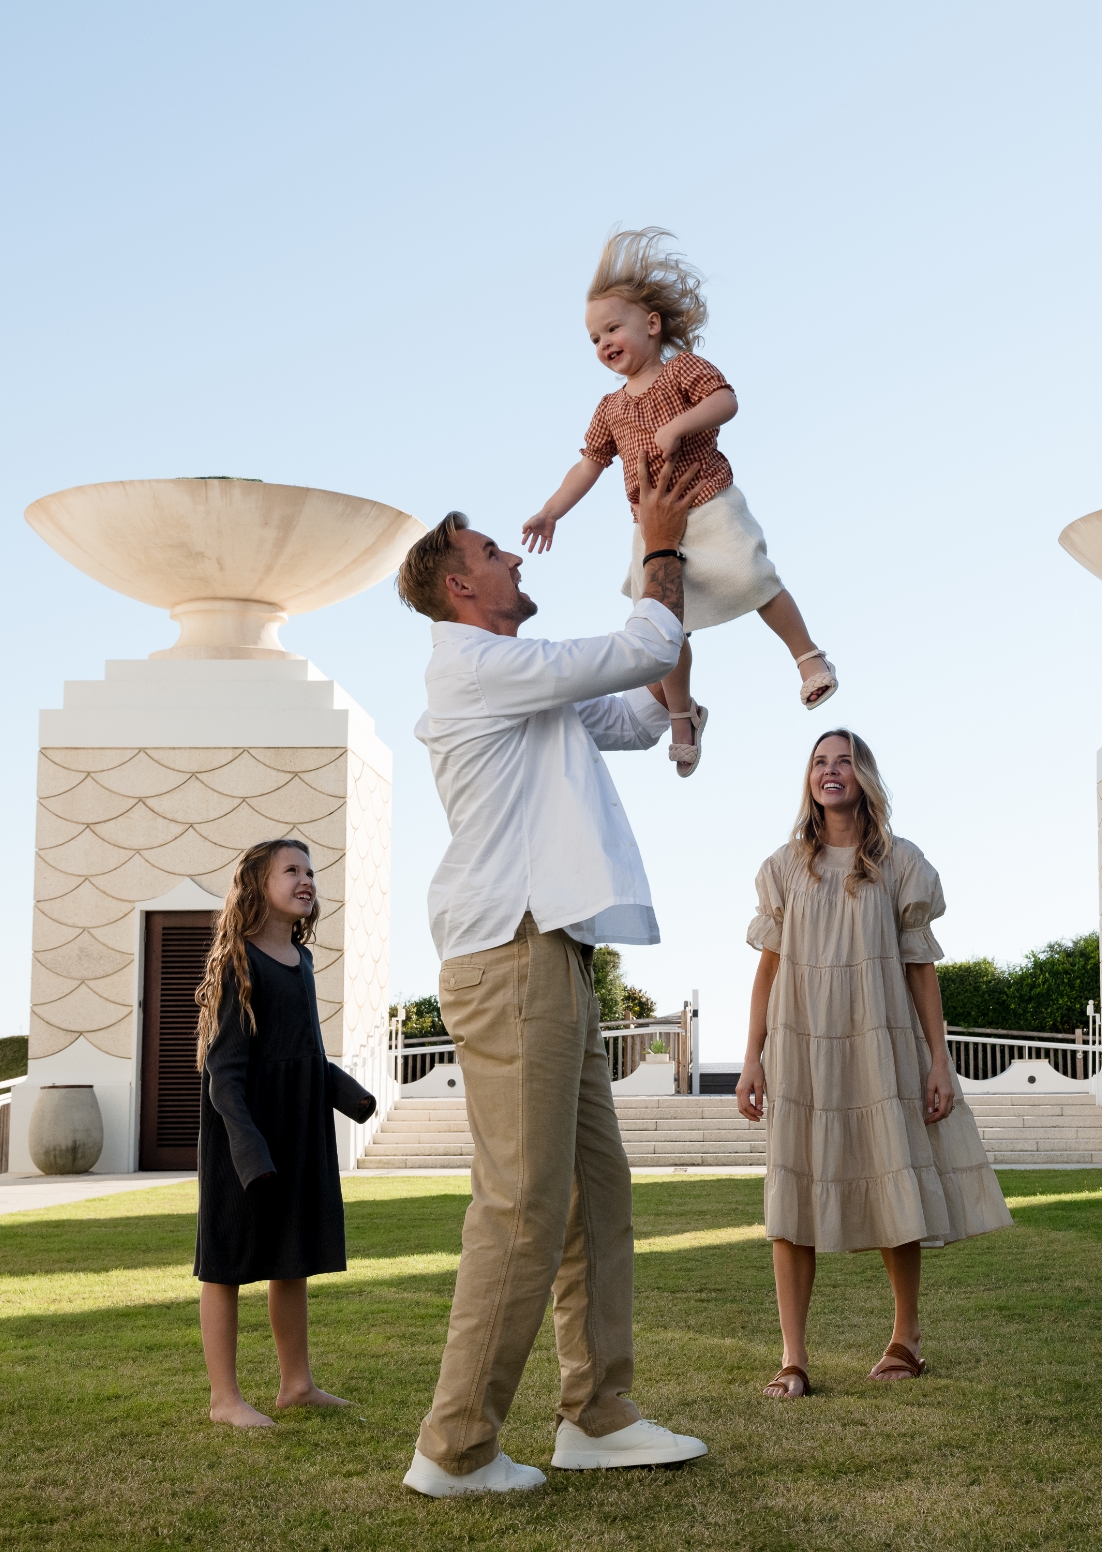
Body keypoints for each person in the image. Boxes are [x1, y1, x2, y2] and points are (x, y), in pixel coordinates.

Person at [394, 454, 710, 1497]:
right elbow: (639, 647)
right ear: (460, 586)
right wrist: (657, 547)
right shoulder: (475, 667)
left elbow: (639, 707)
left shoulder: (523, 682)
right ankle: (455, 1448)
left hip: (553, 950)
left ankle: (598, 1415)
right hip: (509, 952)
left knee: (594, 1196)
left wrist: (679, 576)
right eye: (493, 551)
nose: (514, 558)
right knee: (525, 1204)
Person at [735, 730, 1013, 1398]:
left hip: (880, 1044)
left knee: (894, 1177)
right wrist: (752, 1058)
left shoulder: (902, 863)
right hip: (802, 1048)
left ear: (864, 776)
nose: (830, 771)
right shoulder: (783, 867)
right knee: (792, 1190)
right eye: (819, 762)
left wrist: (939, 1062)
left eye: (844, 761)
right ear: (809, 779)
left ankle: (905, 1339)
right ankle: (793, 1358)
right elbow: (767, 972)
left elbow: (921, 971)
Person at [523, 226, 837, 778]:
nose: (603, 343)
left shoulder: (683, 370)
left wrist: (678, 427)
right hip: (651, 524)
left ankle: (807, 656)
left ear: (651, 324)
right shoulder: (609, 408)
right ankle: (682, 714)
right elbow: (589, 464)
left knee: (754, 578)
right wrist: (552, 510)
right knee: (662, 624)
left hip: (707, 500)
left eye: (612, 328)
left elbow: (726, 401)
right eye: (594, 339)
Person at [192, 838, 376, 1427]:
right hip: (244, 1134)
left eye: (311, 871)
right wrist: (248, 1148)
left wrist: (349, 1094)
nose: (306, 880)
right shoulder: (238, 962)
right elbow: (224, 1070)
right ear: (256, 885)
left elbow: (304, 1054)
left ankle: (297, 1385)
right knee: (225, 1261)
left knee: (291, 1256)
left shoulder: (303, 960)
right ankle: (224, 1399)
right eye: (291, 870)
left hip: (297, 1131)